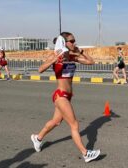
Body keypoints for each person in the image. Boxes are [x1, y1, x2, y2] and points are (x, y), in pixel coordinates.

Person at [31, 32, 101, 163]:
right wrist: (53, 59)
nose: (74, 43)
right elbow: (40, 69)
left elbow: (91, 61)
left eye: (74, 40)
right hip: (60, 95)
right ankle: (85, 153)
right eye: (72, 41)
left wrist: (80, 50)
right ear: (64, 42)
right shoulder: (56, 55)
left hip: (68, 96)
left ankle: (38, 138)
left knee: (56, 121)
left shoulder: (72, 57)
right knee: (74, 124)